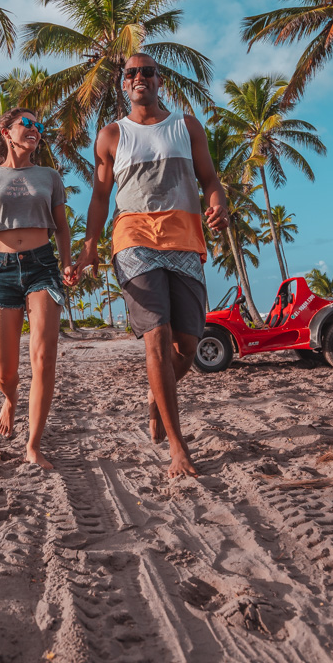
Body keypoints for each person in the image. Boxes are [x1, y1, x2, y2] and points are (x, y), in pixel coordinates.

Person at [74, 54, 229, 478]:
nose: (139, 78)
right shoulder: (111, 135)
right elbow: (100, 198)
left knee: (188, 346)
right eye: (131, 74)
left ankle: (157, 397)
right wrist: (90, 246)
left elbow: (210, 180)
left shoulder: (186, 125)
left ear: (160, 80)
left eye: (147, 72)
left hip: (185, 238)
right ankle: (178, 448)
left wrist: (218, 206)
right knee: (156, 337)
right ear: (123, 85)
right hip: (133, 237)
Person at [0, 108, 77, 470]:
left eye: (38, 126)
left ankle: (33, 445)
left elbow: (62, 226)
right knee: (3, 372)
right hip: (0, 269)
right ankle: (10, 398)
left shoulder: (50, 176)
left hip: (43, 267)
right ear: (6, 132)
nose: (35, 129)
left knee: (43, 357)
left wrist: (66, 261)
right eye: (27, 124)